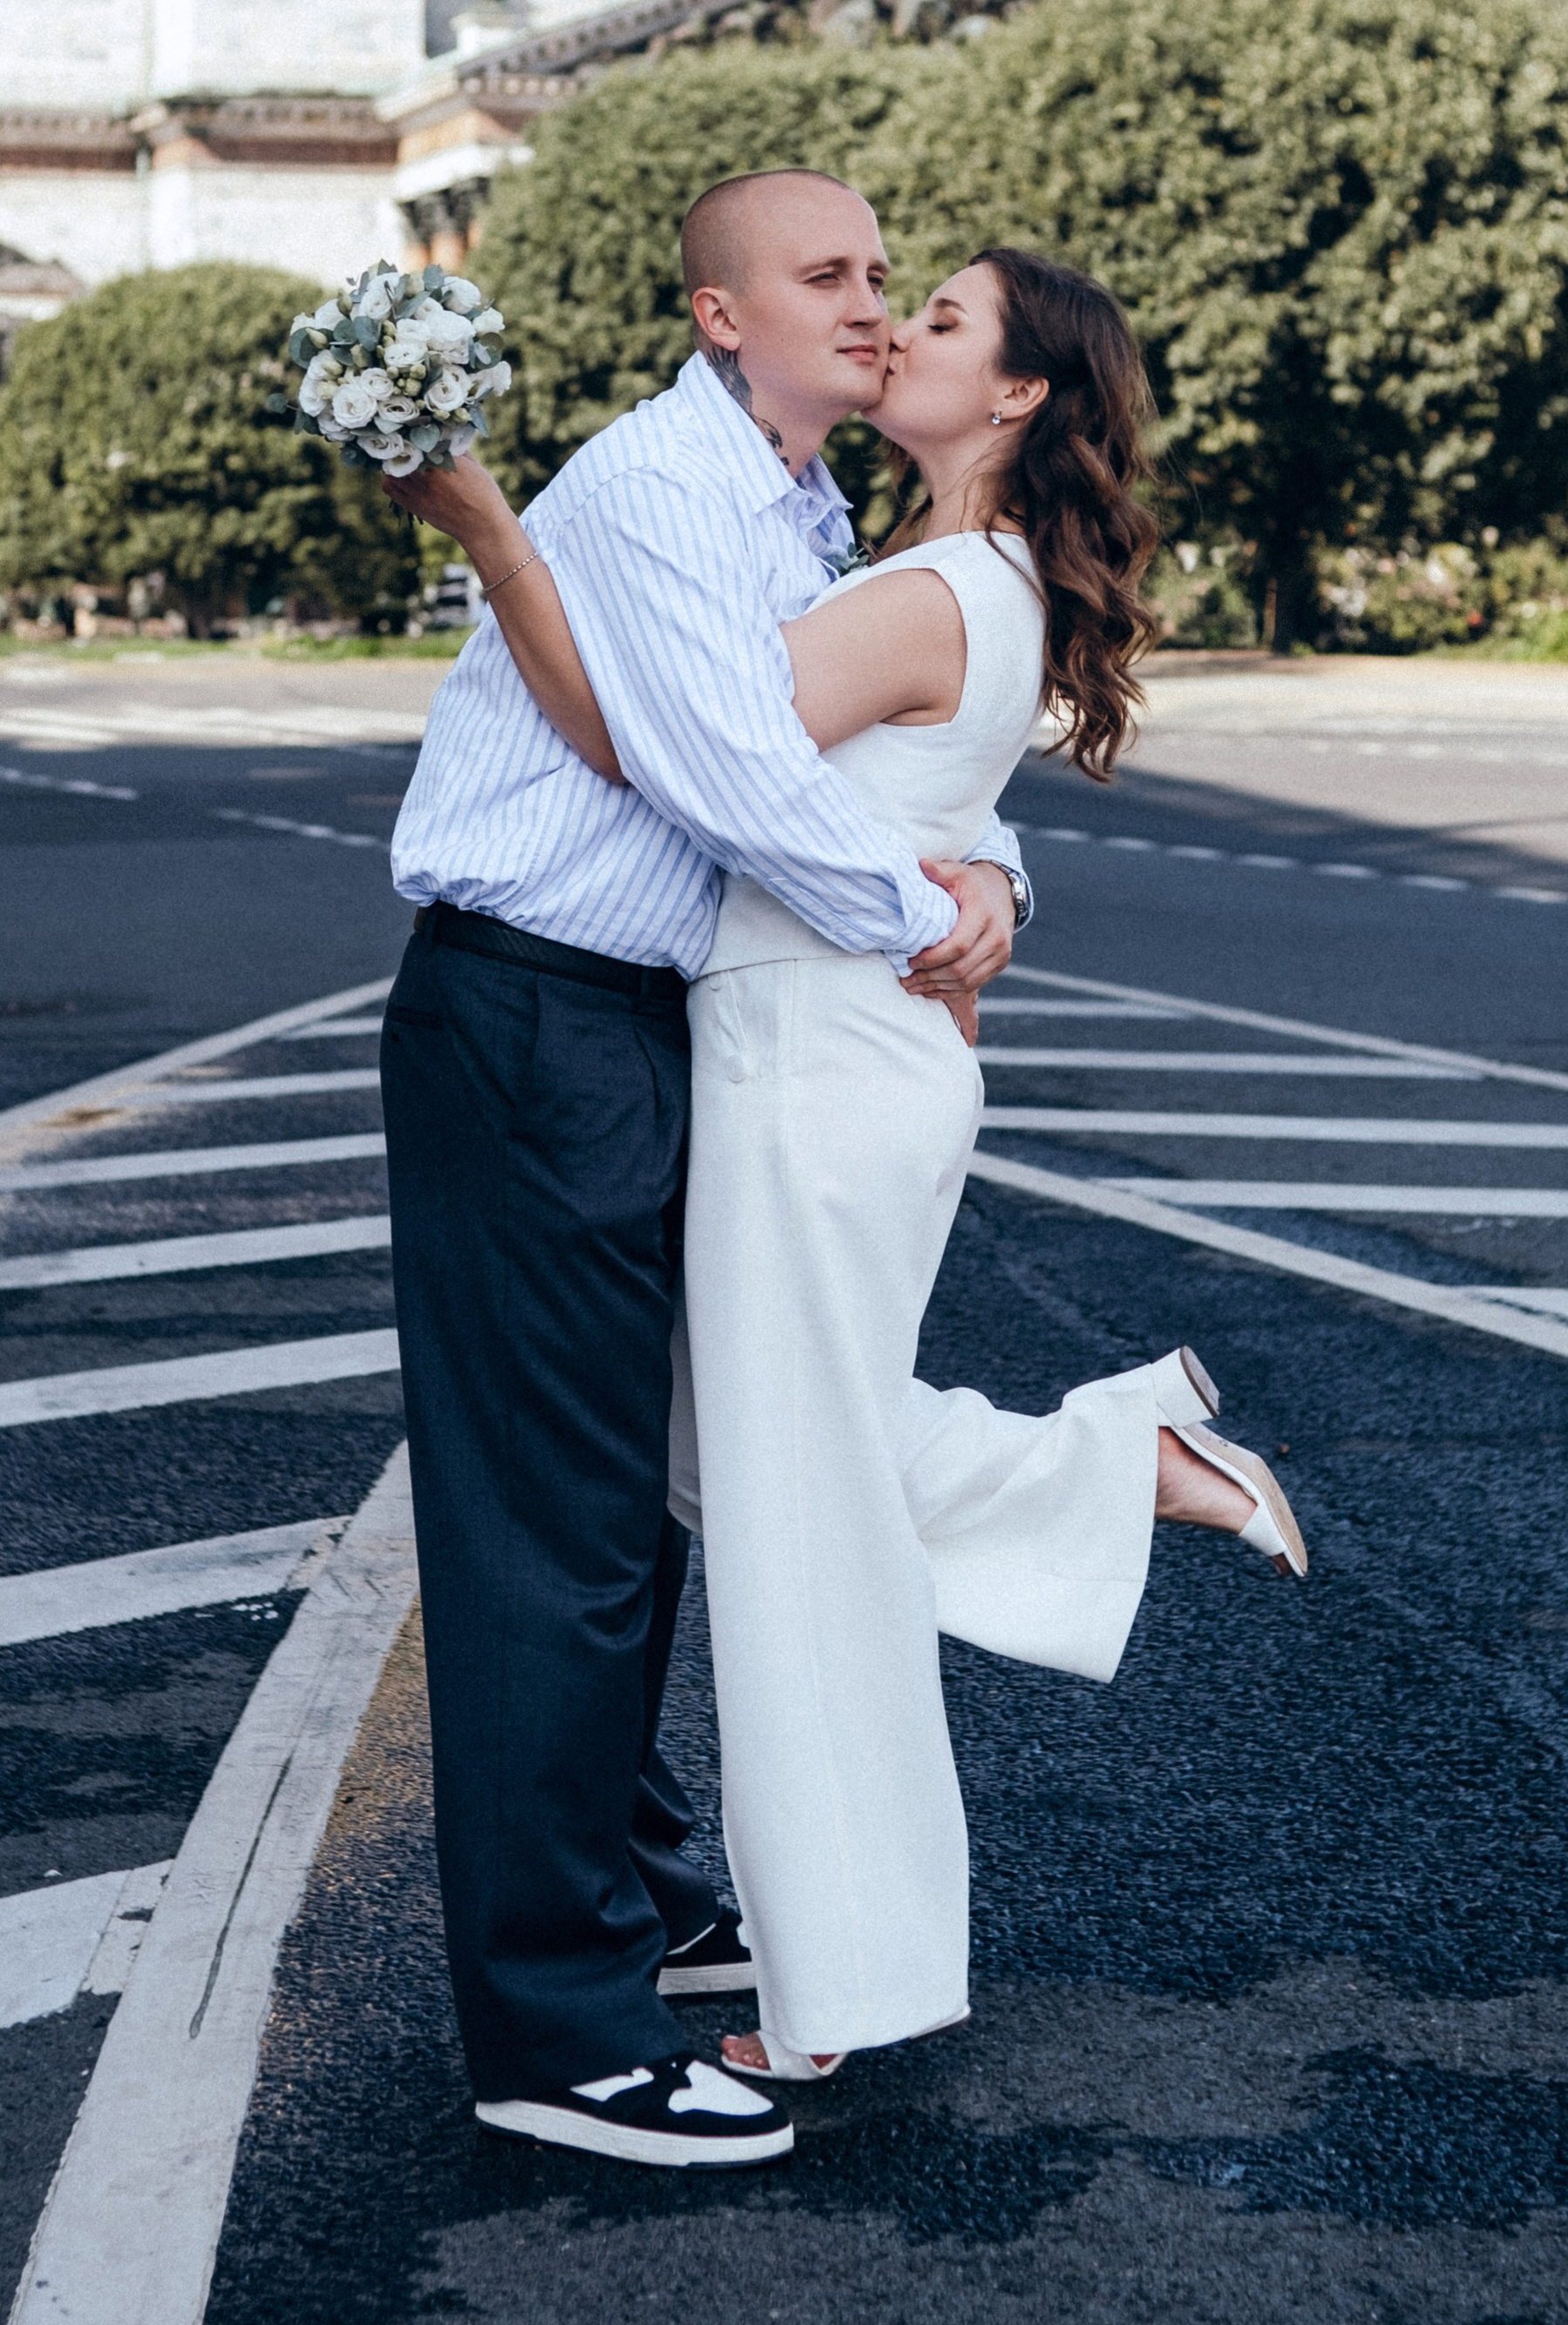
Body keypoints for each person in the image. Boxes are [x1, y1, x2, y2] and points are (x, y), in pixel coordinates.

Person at [428, 233, 1308, 2090]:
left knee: (788, 1518)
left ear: (1011, 397)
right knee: (716, 1455)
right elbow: (928, 795)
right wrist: (980, 874)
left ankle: (837, 1990)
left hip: (813, 1058)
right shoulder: (911, 562)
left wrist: (492, 539)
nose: (897, 326)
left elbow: (672, 749)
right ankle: (1114, 1460)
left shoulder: (921, 586)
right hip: (814, 1045)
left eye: (940, 317)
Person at [377, 170, 1030, 2171]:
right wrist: (911, 916)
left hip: (631, 1022)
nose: (865, 302)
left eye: (880, 277)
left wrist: (980, 863)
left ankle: (640, 1897)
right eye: (823, 278)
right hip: (534, 1011)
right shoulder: (667, 485)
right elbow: (718, 768)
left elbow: (858, 744)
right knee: (552, 1535)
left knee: (628, 1510)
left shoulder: (796, 508)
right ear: (716, 315)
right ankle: (555, 2032)